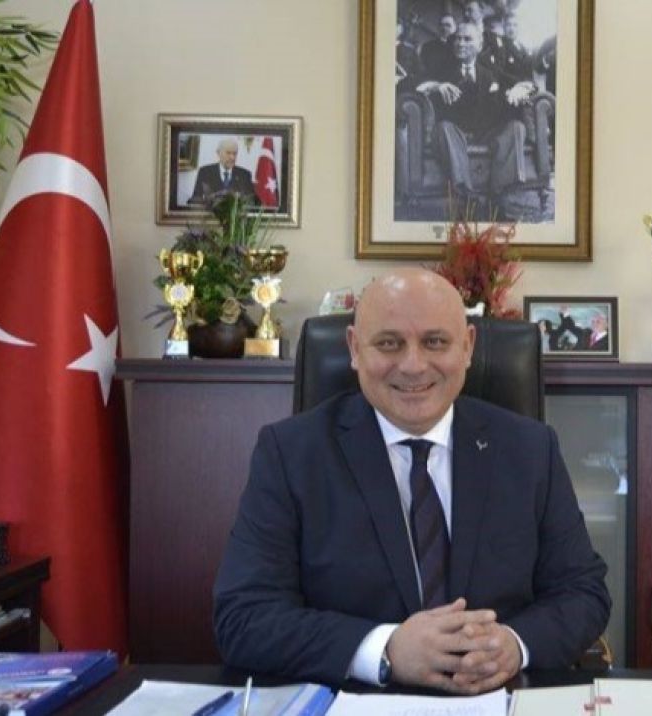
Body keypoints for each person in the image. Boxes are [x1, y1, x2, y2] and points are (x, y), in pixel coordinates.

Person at [213, 268, 611, 693]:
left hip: (498, 696)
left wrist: (514, 645)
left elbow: (583, 592)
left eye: (435, 342)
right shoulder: (291, 453)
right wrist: (384, 649)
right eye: (389, 343)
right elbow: (244, 617)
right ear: (354, 349)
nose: (413, 365)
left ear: (468, 347)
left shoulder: (530, 449)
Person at [415, 22, 530, 206]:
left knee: (517, 127)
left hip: (485, 132)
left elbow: (525, 82)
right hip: (455, 134)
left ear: (479, 45)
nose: (460, 43)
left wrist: (520, 88)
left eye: (467, 39)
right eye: (458, 39)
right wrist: (437, 86)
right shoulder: (442, 67)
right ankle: (466, 195)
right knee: (444, 128)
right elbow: (412, 84)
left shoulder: (491, 71)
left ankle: (500, 194)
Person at [190, 139, 256, 204]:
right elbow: (196, 198)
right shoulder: (205, 172)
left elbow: (252, 201)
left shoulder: (245, 174)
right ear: (218, 153)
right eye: (228, 153)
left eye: (235, 153)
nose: (232, 157)